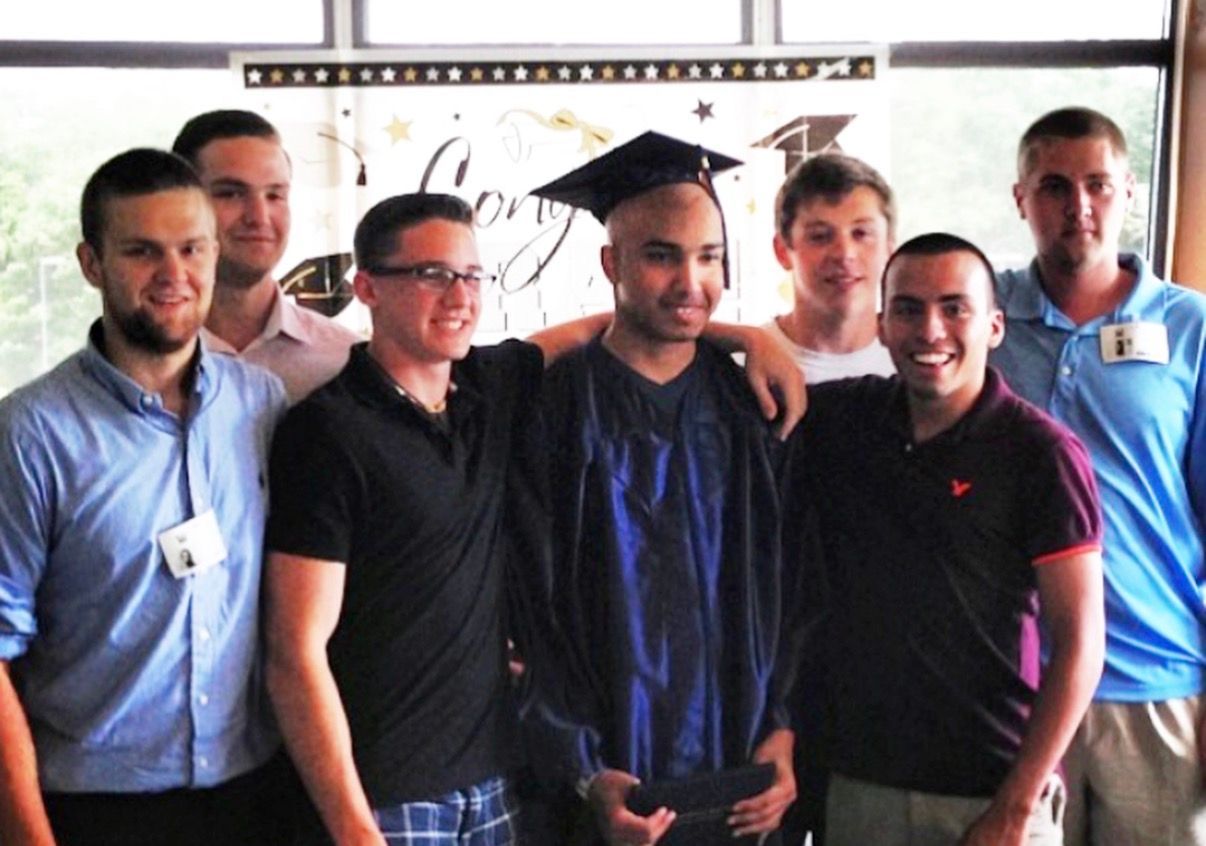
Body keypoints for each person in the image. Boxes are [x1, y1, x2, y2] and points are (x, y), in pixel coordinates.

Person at [262, 188, 803, 846]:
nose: (458, 295)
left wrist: (749, 335)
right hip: (389, 792)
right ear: (367, 287)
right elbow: (293, 650)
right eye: (431, 274)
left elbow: (632, 319)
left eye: (470, 275)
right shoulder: (333, 430)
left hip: (490, 785)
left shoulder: (485, 391)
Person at [0, 148, 288, 846]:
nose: (173, 274)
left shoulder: (261, 404)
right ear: (91, 264)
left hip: (253, 796)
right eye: (141, 251)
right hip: (96, 811)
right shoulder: (30, 433)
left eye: (192, 248)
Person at [525, 131, 799, 846]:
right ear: (611, 263)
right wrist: (584, 770)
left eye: (709, 257)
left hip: (740, 779)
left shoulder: (752, 407)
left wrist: (784, 729)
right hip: (607, 780)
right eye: (661, 256)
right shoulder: (555, 411)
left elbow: (792, 587)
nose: (690, 282)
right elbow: (530, 615)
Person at [787, 232, 1104, 846]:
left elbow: (1081, 643)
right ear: (881, 326)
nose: (930, 330)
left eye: (954, 308)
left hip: (993, 788)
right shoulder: (845, 421)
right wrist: (744, 338)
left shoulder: (1041, 454)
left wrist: (1015, 808)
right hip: (861, 786)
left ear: (994, 326)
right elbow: (731, 379)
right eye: (908, 309)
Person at [993, 106, 1206, 845]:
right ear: (1021, 199)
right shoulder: (979, 318)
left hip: (1156, 680)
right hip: (1013, 685)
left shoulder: (1190, 327)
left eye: (1098, 185)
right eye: (1054, 186)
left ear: (1130, 193)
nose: (1077, 206)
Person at [173, 109, 360, 403]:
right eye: (231, 193)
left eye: (274, 195)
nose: (259, 217)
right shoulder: (136, 362)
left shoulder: (345, 364)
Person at [766, 152, 896, 383]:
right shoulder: (742, 364)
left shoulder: (920, 368)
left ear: (889, 247)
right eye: (820, 236)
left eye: (861, 233)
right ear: (782, 251)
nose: (844, 254)